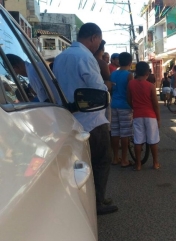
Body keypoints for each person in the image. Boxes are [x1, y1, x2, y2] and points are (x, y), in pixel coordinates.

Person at [53, 23, 118, 215]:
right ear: (94, 38)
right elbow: (98, 89)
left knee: (79, 164)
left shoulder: (61, 57)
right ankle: (98, 202)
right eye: (99, 40)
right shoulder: (85, 57)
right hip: (92, 119)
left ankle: (85, 200)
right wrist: (108, 85)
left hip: (68, 117)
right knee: (102, 160)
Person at [127, 61, 160, 171]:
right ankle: (155, 163)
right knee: (153, 140)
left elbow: (128, 99)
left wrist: (134, 107)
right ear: (147, 72)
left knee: (138, 140)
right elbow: (155, 105)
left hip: (137, 115)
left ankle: (138, 165)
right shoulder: (150, 86)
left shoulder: (131, 84)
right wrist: (158, 119)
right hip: (150, 116)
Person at [110, 52, 134, 167]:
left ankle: (115, 157)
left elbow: (111, 89)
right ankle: (124, 159)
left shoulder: (113, 74)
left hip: (114, 104)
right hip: (125, 106)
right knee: (125, 134)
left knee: (115, 132)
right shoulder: (129, 75)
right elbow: (131, 92)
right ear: (130, 62)